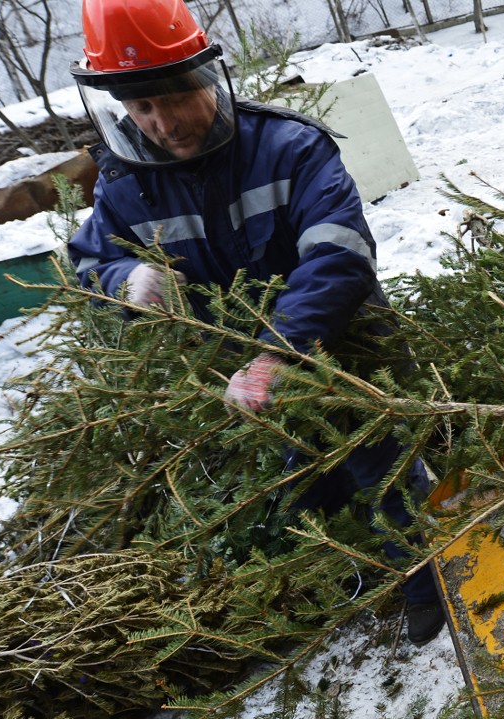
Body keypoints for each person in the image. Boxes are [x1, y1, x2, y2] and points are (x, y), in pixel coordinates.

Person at [66, 0, 445, 646]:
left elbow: (339, 257)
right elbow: (86, 258)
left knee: (378, 459)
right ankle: (336, 570)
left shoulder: (289, 147)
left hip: (341, 339)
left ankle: (424, 581)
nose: (165, 124)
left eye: (174, 99)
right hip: (242, 369)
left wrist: (278, 353)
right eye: (143, 109)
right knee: (303, 475)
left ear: (204, 78)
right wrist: (121, 279)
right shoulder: (125, 185)